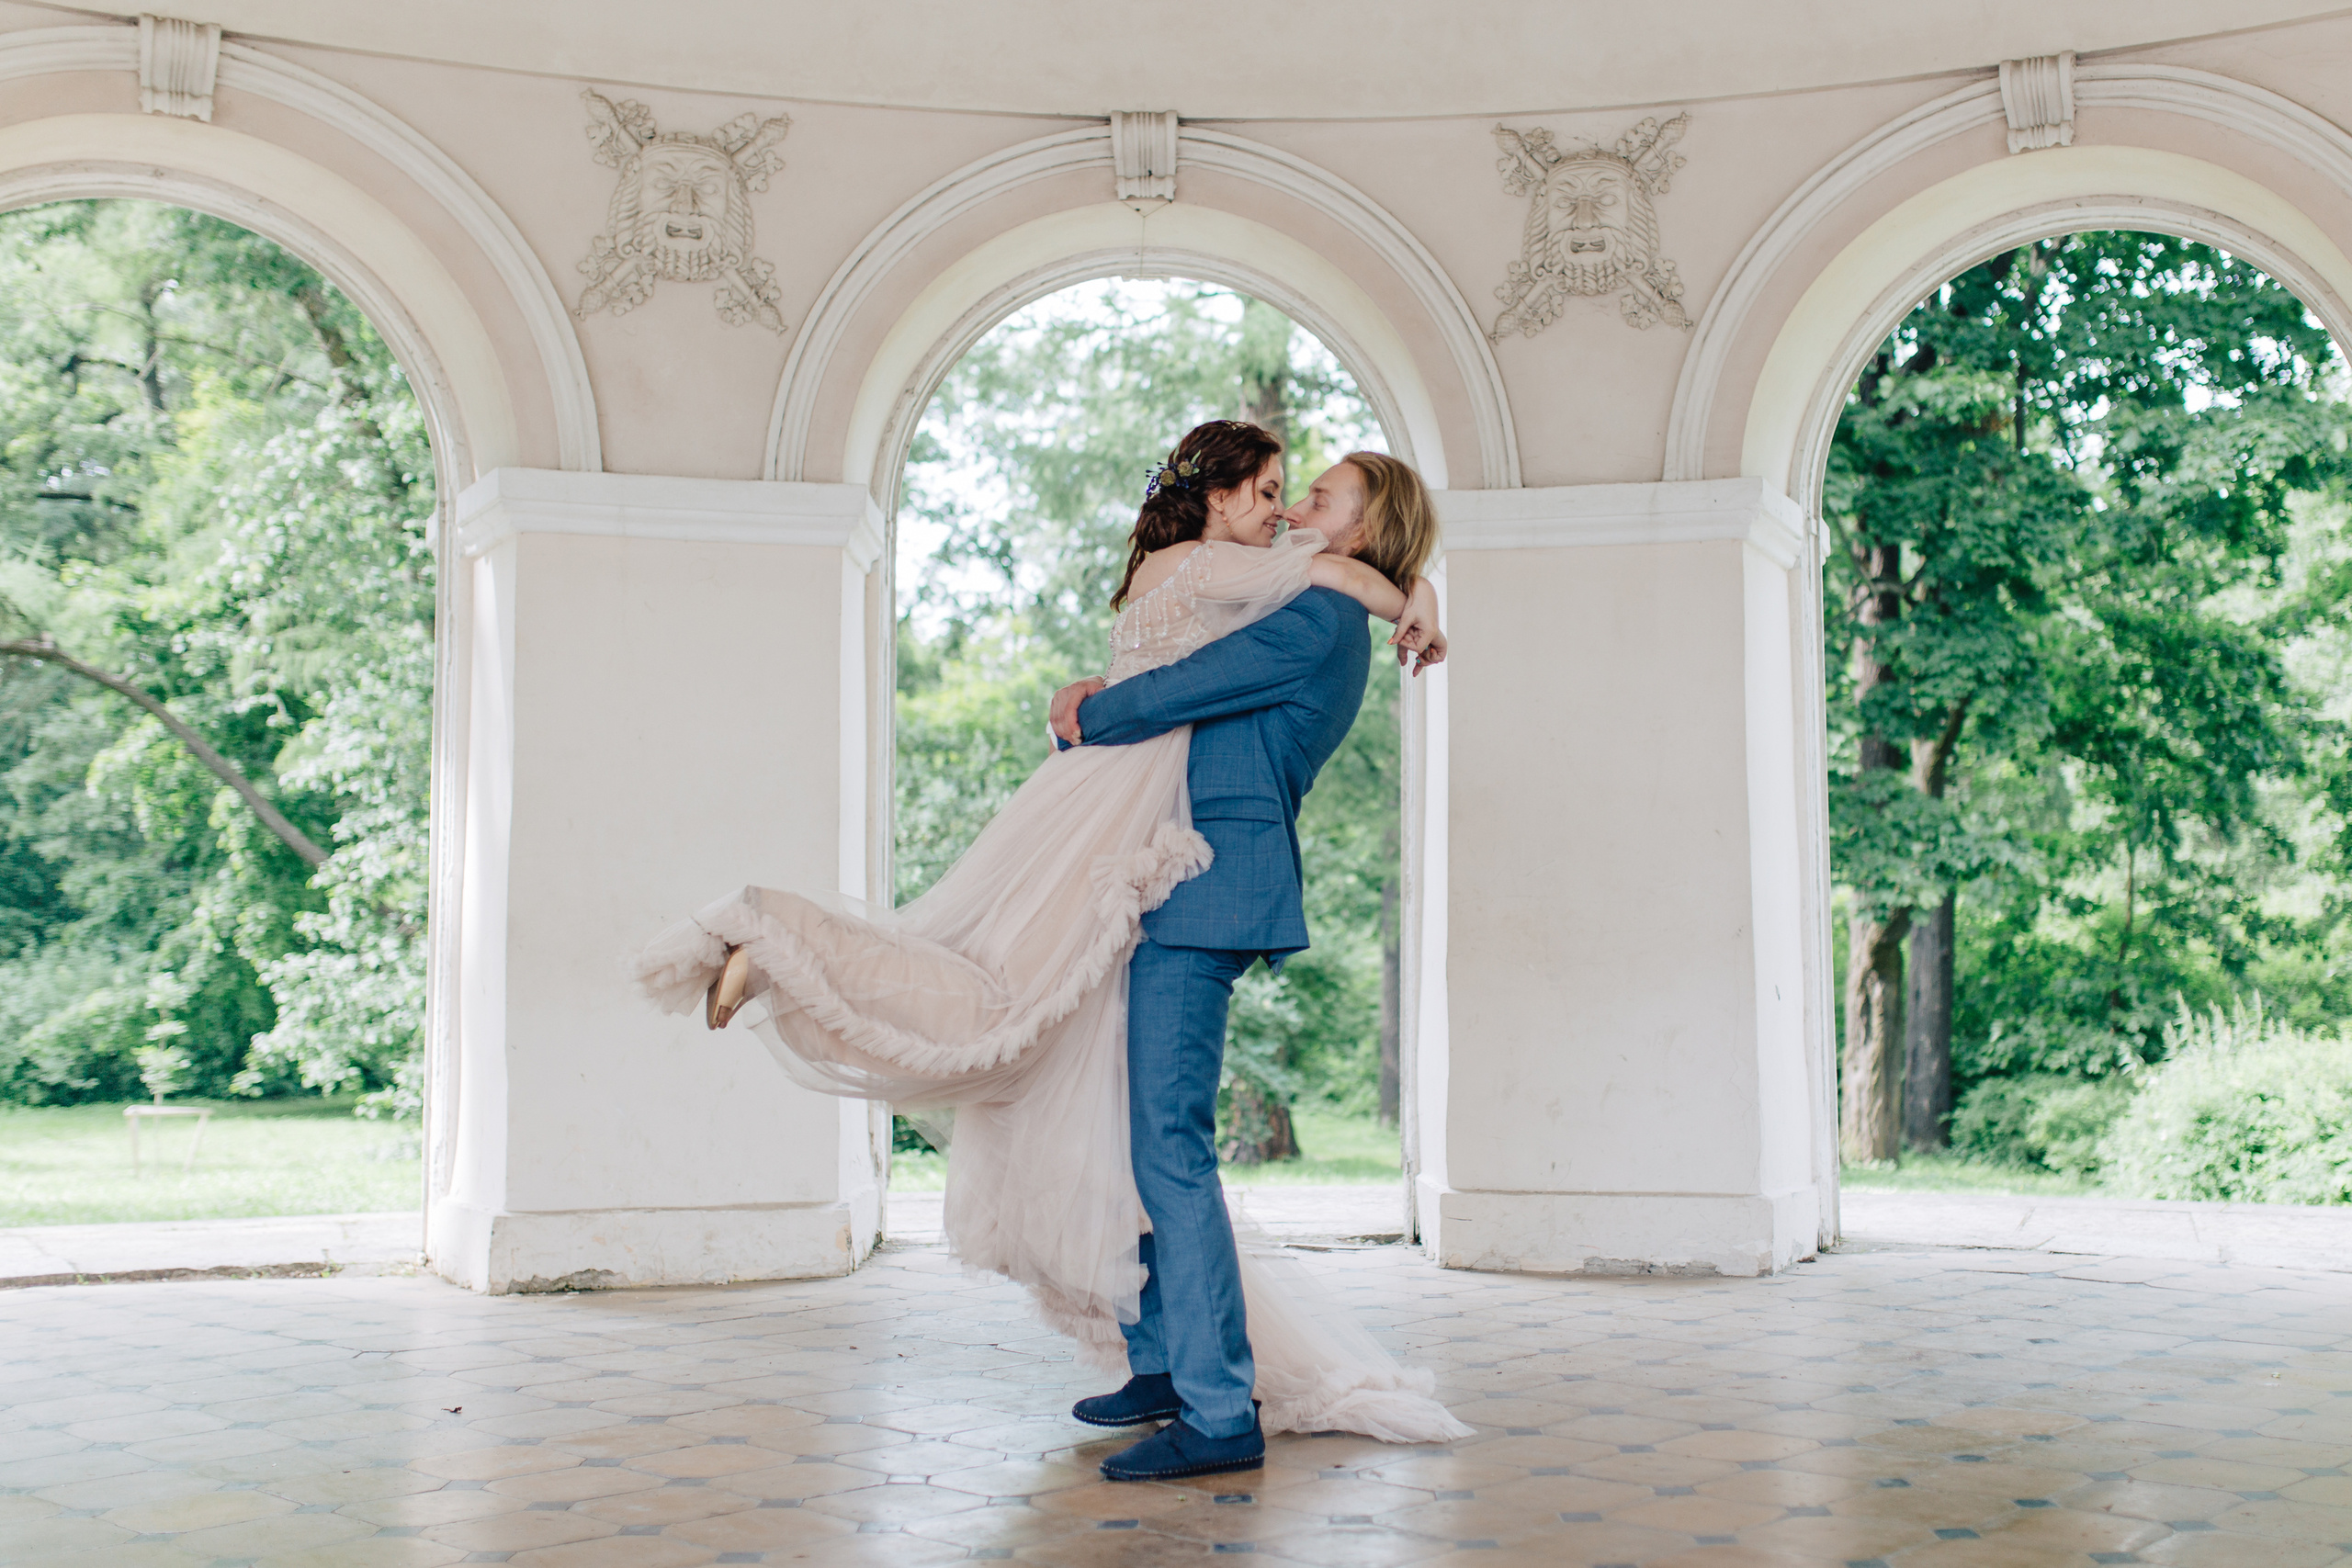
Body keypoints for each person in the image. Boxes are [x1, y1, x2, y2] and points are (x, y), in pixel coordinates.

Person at [629, 419, 1469, 1477]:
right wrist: (1417, 594)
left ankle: (1220, 1415)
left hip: (1197, 895)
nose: (1296, 509)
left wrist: (1087, 708)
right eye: (1285, 494)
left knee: (1166, 1144)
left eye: (1322, 500)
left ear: (1368, 530)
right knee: (1125, 1132)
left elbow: (1173, 695)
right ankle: (1166, 1365)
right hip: (1157, 877)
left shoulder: (1312, 621)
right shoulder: (1305, 597)